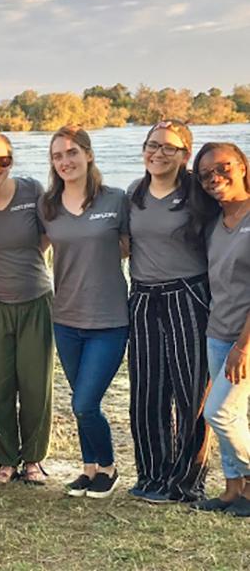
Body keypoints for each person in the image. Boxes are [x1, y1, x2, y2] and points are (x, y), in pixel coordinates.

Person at [37, 125, 129, 499]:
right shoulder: (48, 206)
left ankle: (108, 467)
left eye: (72, 152)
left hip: (109, 319)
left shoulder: (116, 200)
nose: (65, 161)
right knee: (81, 400)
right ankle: (89, 469)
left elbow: (133, 247)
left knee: (85, 402)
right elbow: (30, 249)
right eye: (57, 156)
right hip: (66, 318)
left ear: (88, 154)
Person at [126, 121, 215, 504]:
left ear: (185, 155)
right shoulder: (135, 192)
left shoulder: (198, 193)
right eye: (152, 145)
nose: (158, 153)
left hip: (188, 295)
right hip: (143, 298)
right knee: (147, 391)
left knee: (191, 392)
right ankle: (152, 475)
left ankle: (187, 482)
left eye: (169, 148)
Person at [0, 132, 54, 486]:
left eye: (2, 160)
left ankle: (33, 459)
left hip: (36, 300)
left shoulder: (31, 191)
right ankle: (5, 460)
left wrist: (27, 259)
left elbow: (48, 235)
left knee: (36, 386)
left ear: (11, 162)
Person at [190, 142, 250, 517]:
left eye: (223, 167)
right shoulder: (214, 222)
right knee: (234, 415)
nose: (215, 177)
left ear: (242, 166)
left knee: (219, 413)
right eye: (205, 174)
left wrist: (243, 346)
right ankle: (232, 491)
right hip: (218, 330)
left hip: (244, 339)